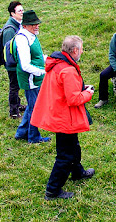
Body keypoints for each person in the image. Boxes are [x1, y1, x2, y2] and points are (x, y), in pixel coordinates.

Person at [31, 36, 95, 200]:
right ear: (75, 51)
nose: (82, 51)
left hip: (59, 113)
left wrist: (81, 88)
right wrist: (88, 93)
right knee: (65, 155)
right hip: (65, 117)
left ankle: (77, 171)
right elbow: (73, 99)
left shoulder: (58, 64)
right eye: (81, 49)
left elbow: (64, 90)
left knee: (74, 145)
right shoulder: (68, 70)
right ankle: (53, 190)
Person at [13, 10, 51, 144]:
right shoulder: (22, 39)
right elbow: (25, 65)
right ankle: (34, 137)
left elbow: (37, 56)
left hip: (35, 78)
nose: (37, 26)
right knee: (36, 108)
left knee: (31, 106)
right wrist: (43, 71)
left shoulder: (31, 35)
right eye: (33, 24)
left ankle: (22, 133)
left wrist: (49, 59)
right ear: (25, 25)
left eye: (37, 23)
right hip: (30, 80)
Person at [3, 1, 25, 119]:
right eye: (19, 11)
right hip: (13, 64)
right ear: (12, 14)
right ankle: (14, 111)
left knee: (16, 85)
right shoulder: (10, 29)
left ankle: (18, 104)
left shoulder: (17, 24)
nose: (22, 12)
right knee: (14, 87)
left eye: (22, 10)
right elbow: (9, 49)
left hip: (16, 62)